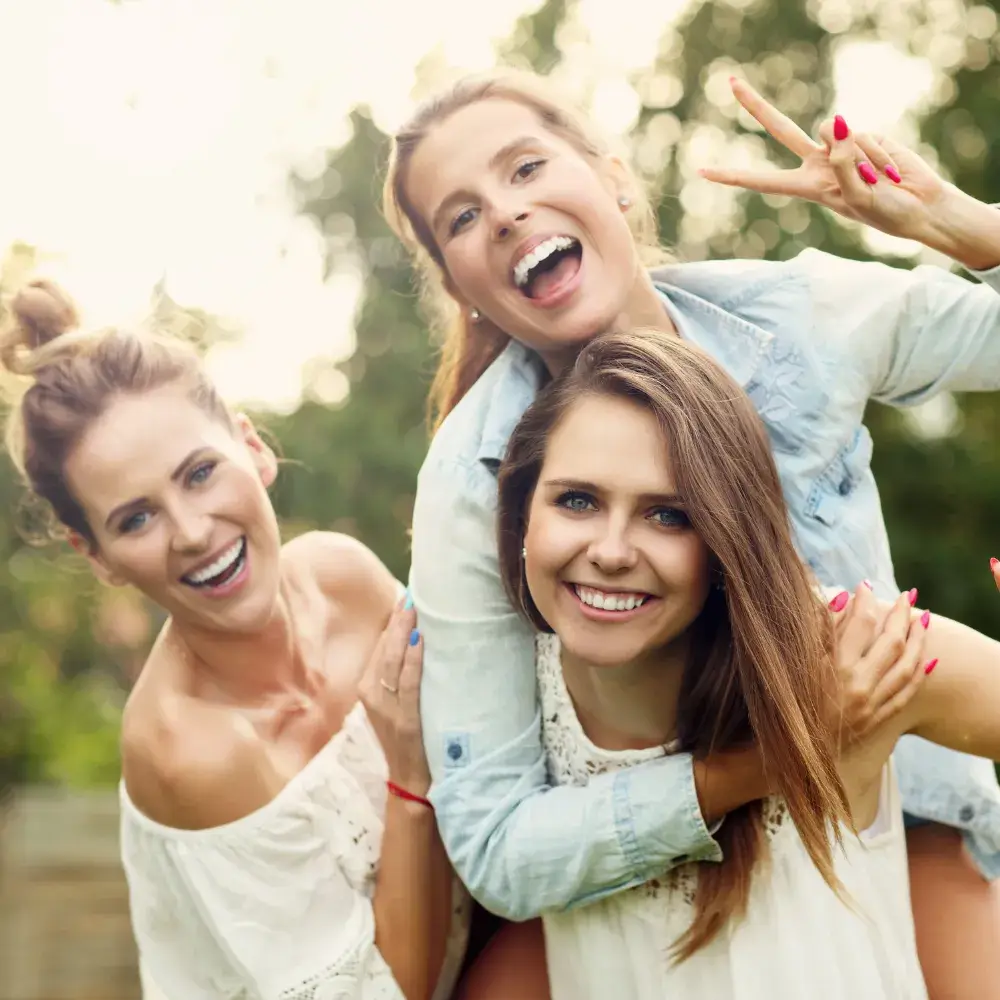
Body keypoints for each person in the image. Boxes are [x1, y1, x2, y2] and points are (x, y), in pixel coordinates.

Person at [384, 69, 1000, 996]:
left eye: (525, 169)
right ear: (458, 284)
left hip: (888, 792)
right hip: (658, 855)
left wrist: (958, 225)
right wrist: (769, 759)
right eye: (461, 218)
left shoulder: (801, 320)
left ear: (616, 179)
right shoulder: (471, 482)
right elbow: (499, 842)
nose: (505, 215)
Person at [493, 327, 1000, 998]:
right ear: (522, 514)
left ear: (727, 536)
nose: (612, 550)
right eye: (577, 500)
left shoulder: (842, 660)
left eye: (668, 515)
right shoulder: (497, 703)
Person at [0, 280, 470, 1000]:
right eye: (134, 520)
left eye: (199, 473)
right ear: (96, 555)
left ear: (252, 448)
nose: (191, 532)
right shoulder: (185, 750)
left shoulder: (345, 577)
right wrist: (410, 786)